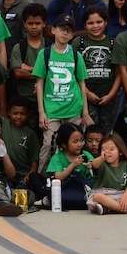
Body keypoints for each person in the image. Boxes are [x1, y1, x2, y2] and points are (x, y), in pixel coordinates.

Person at [33, 15, 93, 172]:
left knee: (75, 144)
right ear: (53, 30)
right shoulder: (44, 54)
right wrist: (41, 112)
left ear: (73, 35)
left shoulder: (75, 55)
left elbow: (82, 83)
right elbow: (39, 83)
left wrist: (85, 112)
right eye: (62, 29)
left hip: (73, 108)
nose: (65, 33)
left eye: (69, 31)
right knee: (48, 144)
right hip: (51, 109)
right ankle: (43, 178)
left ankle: (75, 176)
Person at [75, 5, 118, 135]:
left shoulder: (113, 43)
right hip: (86, 96)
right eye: (90, 23)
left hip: (108, 96)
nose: (95, 26)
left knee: (107, 133)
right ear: (84, 25)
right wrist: (87, 93)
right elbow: (73, 72)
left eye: (99, 22)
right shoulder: (78, 43)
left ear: (106, 22)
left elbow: (120, 73)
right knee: (89, 132)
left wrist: (111, 95)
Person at [36, 123, 94, 211]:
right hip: (63, 188)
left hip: (81, 189)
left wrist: (92, 165)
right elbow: (59, 177)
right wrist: (73, 165)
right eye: (75, 141)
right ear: (64, 144)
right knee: (35, 177)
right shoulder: (58, 157)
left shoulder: (86, 155)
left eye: (81, 140)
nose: (79, 144)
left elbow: (95, 174)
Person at [87, 133, 127, 214]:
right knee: (97, 197)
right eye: (104, 149)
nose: (107, 152)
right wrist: (102, 158)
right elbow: (94, 165)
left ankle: (110, 208)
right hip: (103, 194)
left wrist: (125, 196)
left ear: (120, 152)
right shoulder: (101, 163)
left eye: (111, 149)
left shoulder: (126, 165)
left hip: (120, 195)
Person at [9, 2, 48, 119]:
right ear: (25, 24)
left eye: (38, 23)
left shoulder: (50, 47)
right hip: (24, 102)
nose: (34, 27)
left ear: (44, 24)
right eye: (30, 23)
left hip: (47, 100)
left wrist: (28, 68)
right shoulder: (19, 47)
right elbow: (18, 73)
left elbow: (53, 72)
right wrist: (42, 72)